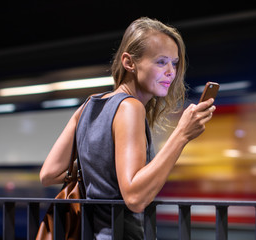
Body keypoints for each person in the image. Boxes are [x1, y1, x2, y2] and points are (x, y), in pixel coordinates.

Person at [39, 17, 216, 239]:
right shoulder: (130, 107)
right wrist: (181, 135)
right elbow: (134, 198)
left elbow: (49, 174)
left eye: (174, 62)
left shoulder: (88, 105)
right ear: (129, 62)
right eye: (161, 62)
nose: (171, 71)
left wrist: (99, 165)